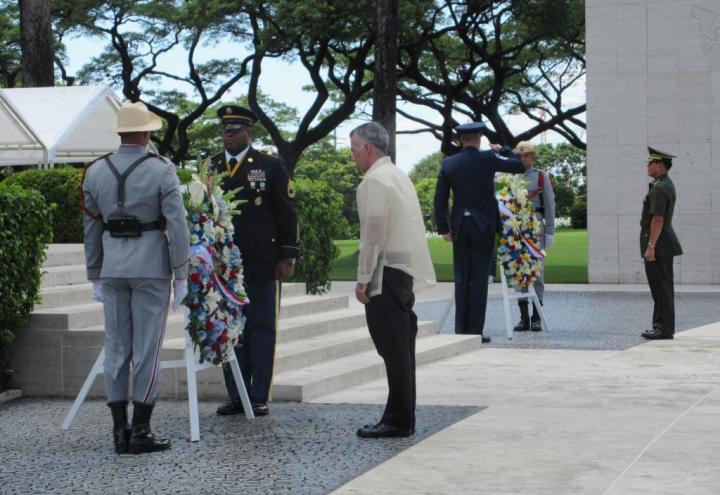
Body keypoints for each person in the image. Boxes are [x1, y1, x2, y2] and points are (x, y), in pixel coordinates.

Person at [82, 101, 190, 454]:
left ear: (120, 133)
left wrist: (94, 272)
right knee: (147, 350)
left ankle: (118, 432)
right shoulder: (161, 170)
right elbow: (177, 225)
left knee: (116, 347)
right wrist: (182, 273)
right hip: (151, 269)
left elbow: (91, 227)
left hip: (113, 266)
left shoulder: (95, 171)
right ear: (146, 133)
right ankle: (141, 431)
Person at [212, 105, 299, 417]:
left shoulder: (270, 165)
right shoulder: (209, 167)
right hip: (223, 265)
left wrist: (288, 254)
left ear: (248, 132)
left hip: (262, 261)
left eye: (235, 130)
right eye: (225, 130)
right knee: (229, 329)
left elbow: (287, 211)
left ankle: (259, 394)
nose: (229, 135)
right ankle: (236, 395)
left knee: (261, 328)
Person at [350, 122, 436, 438]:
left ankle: (398, 420)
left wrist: (363, 278)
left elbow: (373, 234)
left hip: (385, 272)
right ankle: (399, 416)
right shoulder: (397, 175)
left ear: (368, 149)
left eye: (354, 150)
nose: (353, 157)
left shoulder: (375, 180)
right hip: (402, 271)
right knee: (401, 350)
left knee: (394, 350)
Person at [434, 122, 525, 342]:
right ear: (480, 137)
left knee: (461, 277)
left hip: (460, 226)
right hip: (483, 225)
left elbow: (440, 199)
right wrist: (501, 149)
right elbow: (519, 166)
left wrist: (444, 227)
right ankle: (475, 330)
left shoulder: (449, 164)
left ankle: (460, 330)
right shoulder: (488, 158)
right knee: (479, 278)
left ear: (460, 139)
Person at [511, 141, 555, 332]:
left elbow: (550, 204)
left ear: (533, 157)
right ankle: (523, 317)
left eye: (526, 155)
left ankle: (536, 316)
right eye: (519, 155)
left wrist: (550, 230)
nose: (522, 158)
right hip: (515, 228)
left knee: (536, 272)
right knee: (519, 272)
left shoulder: (541, 176)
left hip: (535, 226)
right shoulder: (511, 177)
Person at [640, 147, 682, 340]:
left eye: (651, 163)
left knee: (661, 287)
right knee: (661, 287)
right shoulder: (663, 184)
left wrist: (651, 246)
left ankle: (663, 328)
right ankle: (660, 326)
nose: (648, 166)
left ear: (661, 165)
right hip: (663, 241)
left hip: (659, 243)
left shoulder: (660, 187)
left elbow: (658, 219)